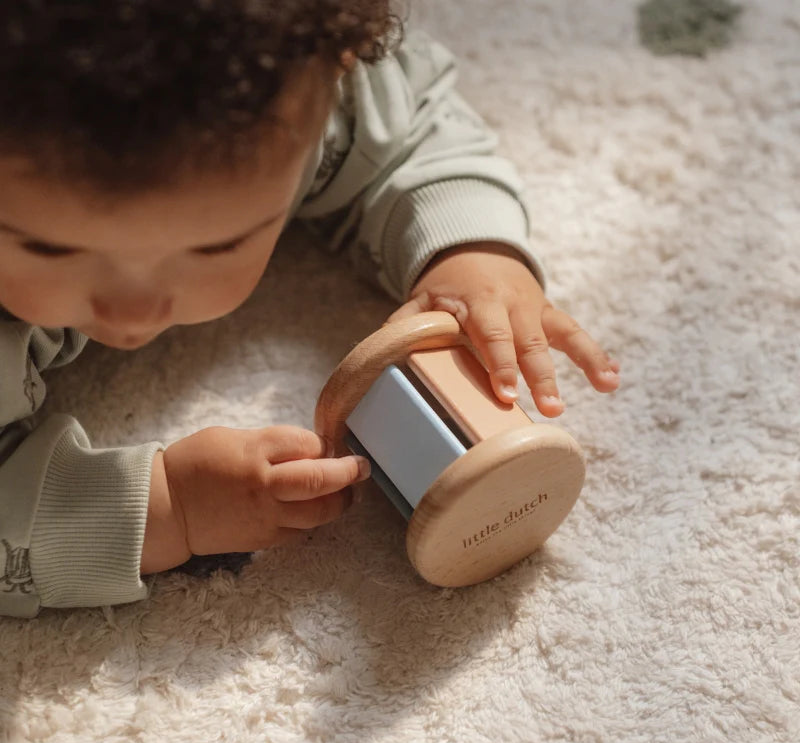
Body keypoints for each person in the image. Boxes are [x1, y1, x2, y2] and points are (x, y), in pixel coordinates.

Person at [0, 1, 619, 618]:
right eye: (48, 249)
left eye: (216, 245)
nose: (132, 313)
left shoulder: (293, 88)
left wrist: (469, 253)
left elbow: (413, 134)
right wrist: (168, 507)